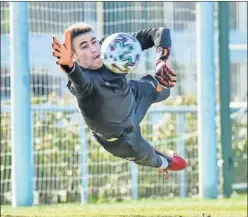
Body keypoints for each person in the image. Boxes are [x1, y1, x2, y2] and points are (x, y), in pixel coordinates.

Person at [52, 23, 187, 178]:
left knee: (165, 90)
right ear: (74, 56)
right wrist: (70, 68)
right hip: (123, 138)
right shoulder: (82, 81)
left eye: (94, 41)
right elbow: (80, 82)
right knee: (160, 161)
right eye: (84, 47)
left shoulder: (111, 47)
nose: (94, 49)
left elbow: (159, 32)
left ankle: (155, 88)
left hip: (134, 95)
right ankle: (166, 162)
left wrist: (162, 59)